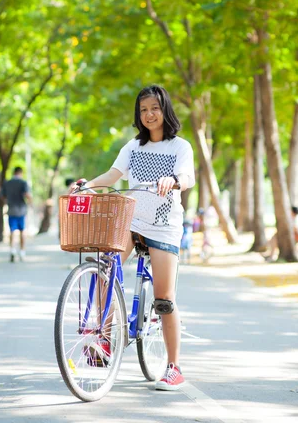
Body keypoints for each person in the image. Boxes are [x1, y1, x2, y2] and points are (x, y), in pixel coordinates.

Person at [70, 85, 195, 390]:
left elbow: (188, 178)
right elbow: (113, 175)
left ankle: (174, 366)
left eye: (154, 108)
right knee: (106, 269)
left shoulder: (180, 147)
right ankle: (106, 338)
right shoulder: (133, 147)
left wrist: (173, 180)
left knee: (165, 300)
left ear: (165, 109)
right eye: (143, 110)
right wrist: (88, 186)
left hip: (164, 225)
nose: (149, 114)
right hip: (133, 221)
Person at [2, 166, 31, 262]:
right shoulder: (23, 182)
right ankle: (22, 252)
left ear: (13, 172)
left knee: (12, 231)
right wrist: (30, 201)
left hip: (11, 209)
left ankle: (12, 250)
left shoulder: (7, 183)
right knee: (22, 231)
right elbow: (27, 194)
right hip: (21, 210)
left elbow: (3, 196)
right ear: (20, 173)